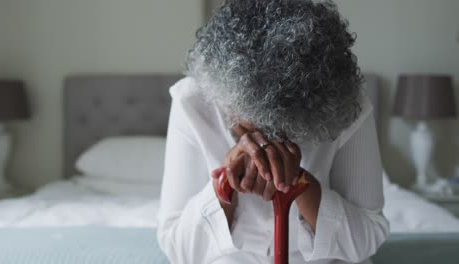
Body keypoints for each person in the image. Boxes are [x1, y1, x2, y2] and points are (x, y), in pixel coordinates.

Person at [157, 0, 389, 263]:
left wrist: (301, 185)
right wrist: (224, 185)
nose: (266, 143)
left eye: (285, 129)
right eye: (250, 125)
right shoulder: (192, 102)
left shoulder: (348, 103)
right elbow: (178, 249)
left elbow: (370, 236)